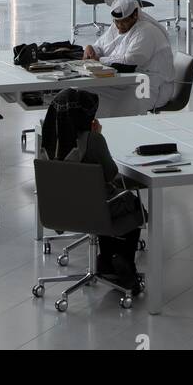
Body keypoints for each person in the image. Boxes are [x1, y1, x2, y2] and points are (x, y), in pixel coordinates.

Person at [39, 88, 143, 292]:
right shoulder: (91, 140)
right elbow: (111, 173)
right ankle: (123, 264)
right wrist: (97, 136)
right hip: (96, 210)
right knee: (130, 203)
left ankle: (106, 260)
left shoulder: (48, 141)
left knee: (100, 201)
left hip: (59, 210)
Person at [83, 0, 176, 116]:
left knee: (120, 104)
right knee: (86, 93)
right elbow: (101, 46)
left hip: (149, 85)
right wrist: (90, 49)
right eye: (117, 22)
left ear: (135, 15)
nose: (120, 26)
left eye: (124, 21)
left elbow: (131, 59)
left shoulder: (146, 31)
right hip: (126, 80)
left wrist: (99, 60)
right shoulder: (115, 27)